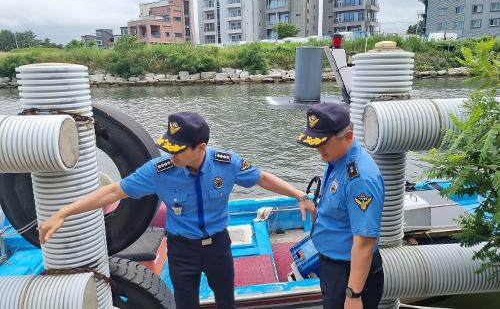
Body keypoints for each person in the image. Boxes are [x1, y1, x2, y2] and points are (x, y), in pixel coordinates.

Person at [39, 111, 315, 309]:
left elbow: (262, 177)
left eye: (179, 150)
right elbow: (113, 191)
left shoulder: (226, 162)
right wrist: (64, 212)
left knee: (226, 301)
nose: (172, 155)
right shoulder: (159, 171)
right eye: (169, 147)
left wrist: (299, 194)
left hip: (218, 245)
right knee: (185, 303)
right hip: (182, 250)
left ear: (201, 148)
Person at [297, 102, 384, 309]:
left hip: (349, 273)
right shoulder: (337, 158)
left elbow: (364, 242)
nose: (318, 149)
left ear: (348, 136)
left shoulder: (360, 179)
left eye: (323, 143)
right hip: (333, 266)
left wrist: (353, 294)